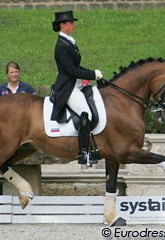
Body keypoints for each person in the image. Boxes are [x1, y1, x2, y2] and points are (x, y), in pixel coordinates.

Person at [50, 10, 103, 165]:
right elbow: (71, 70)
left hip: (77, 84)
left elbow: (76, 66)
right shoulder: (61, 45)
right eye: (71, 23)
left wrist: (93, 74)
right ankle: (84, 153)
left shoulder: (69, 41)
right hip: (68, 87)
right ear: (63, 25)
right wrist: (92, 74)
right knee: (86, 113)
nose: (74, 25)